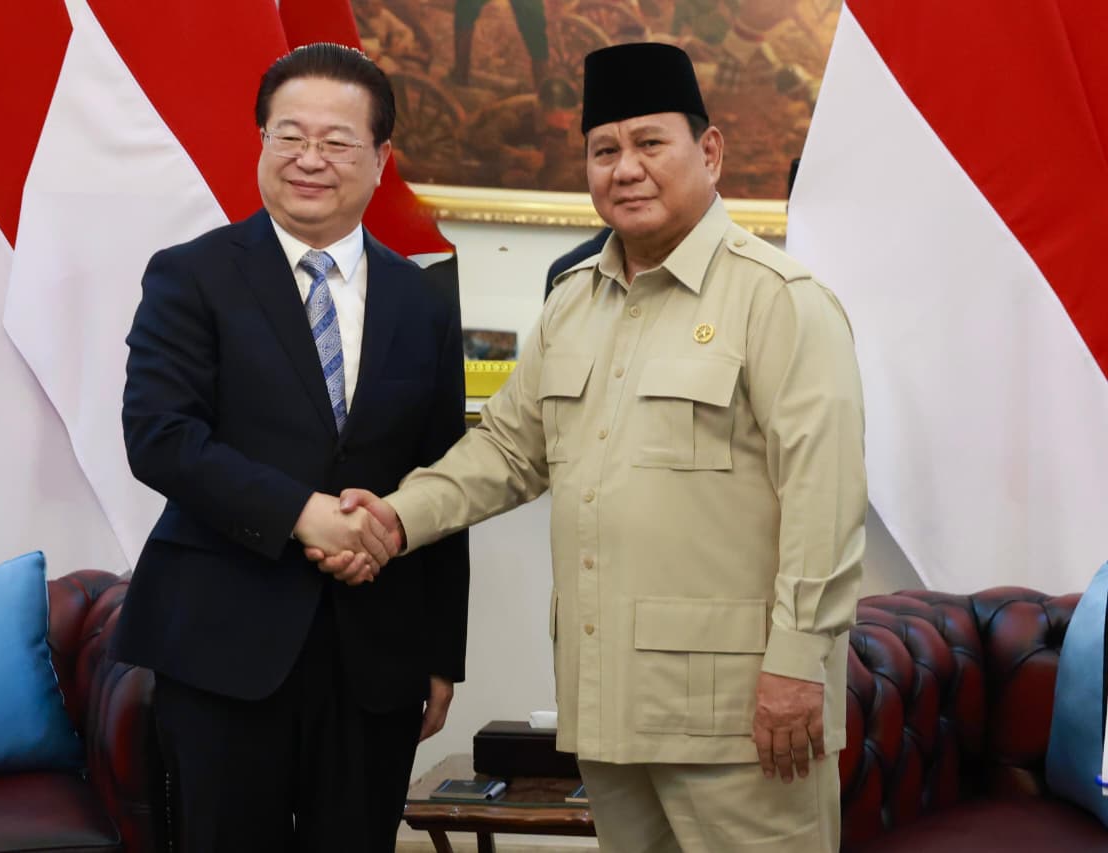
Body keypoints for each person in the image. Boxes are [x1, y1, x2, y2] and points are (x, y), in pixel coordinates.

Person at [316, 41, 865, 853]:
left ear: (708, 152)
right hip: (608, 706)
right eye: (605, 150)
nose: (627, 168)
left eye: (651, 143)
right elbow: (504, 450)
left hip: (743, 717)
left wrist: (797, 667)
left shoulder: (779, 302)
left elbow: (825, 500)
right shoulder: (574, 304)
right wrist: (394, 519)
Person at [112, 43, 470, 853]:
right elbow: (160, 438)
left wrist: (442, 651)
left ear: (380, 159)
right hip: (223, 645)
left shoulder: (424, 298)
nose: (311, 159)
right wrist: (303, 514)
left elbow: (447, 474)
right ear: (263, 142)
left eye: (338, 142)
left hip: (376, 654)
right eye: (289, 136)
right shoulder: (191, 275)